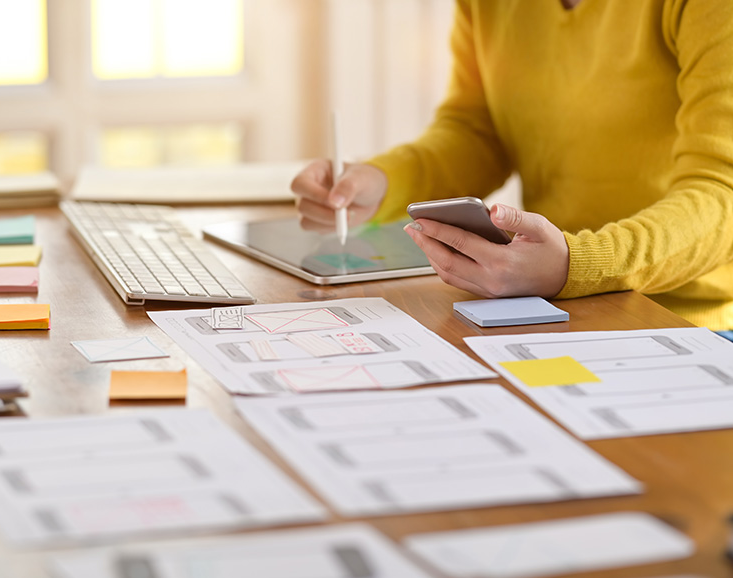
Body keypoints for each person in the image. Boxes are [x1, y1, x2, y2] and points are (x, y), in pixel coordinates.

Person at [291, 0, 733, 333]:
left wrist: (576, 264)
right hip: (548, 305)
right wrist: (383, 180)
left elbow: (722, 191)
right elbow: (479, 131)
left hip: (690, 322)